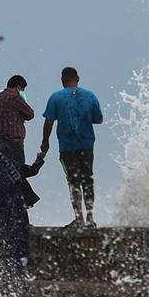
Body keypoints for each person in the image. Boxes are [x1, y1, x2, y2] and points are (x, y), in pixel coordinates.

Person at [41, 67, 103, 228]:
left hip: (67, 147)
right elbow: (98, 119)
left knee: (73, 181)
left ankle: (79, 218)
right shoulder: (90, 96)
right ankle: (90, 218)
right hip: (87, 144)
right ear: (78, 78)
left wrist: (45, 142)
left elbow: (48, 121)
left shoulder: (56, 97)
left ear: (62, 79)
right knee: (87, 179)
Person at [0, 148, 45, 269]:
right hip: (17, 207)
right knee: (21, 237)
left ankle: (5, 267)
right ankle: (23, 265)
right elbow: (33, 170)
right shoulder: (14, 166)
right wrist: (40, 158)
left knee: (3, 240)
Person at [0, 75, 34, 169]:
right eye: (22, 90)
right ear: (18, 87)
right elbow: (30, 114)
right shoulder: (13, 96)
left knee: (5, 173)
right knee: (17, 173)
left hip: (1, 142)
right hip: (13, 143)